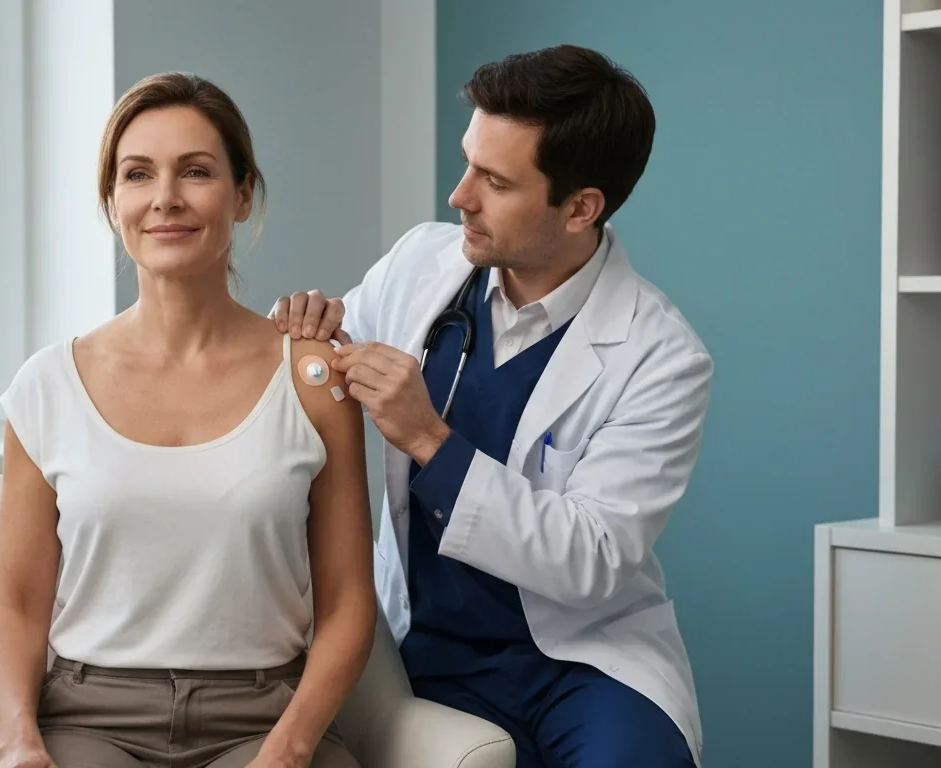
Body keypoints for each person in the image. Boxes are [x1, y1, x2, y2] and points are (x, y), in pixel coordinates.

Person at [272, 45, 711, 767]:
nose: (459, 196)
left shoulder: (660, 356)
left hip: (584, 662)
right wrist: (304, 330)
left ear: (580, 208)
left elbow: (591, 558)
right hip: (425, 646)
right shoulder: (421, 264)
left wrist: (430, 441)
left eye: (493, 180)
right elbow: (316, 377)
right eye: (468, 160)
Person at [0, 72, 376, 768]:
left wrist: (289, 749)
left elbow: (347, 604)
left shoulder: (313, 381)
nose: (165, 198)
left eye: (196, 172)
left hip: (265, 718)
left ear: (244, 194)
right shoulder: (46, 386)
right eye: (138, 174)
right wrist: (18, 741)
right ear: (112, 201)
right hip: (89, 719)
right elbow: (16, 603)